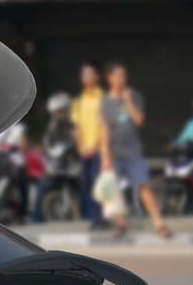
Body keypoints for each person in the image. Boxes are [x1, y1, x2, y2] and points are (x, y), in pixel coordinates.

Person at [99, 62, 172, 240]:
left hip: (134, 152)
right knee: (114, 189)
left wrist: (128, 100)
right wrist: (105, 156)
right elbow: (105, 129)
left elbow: (139, 121)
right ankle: (121, 224)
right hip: (115, 152)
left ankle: (158, 223)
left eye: (124, 76)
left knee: (144, 185)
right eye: (118, 76)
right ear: (109, 78)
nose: (122, 79)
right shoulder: (106, 101)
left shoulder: (135, 96)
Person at [71, 62, 107, 224]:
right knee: (88, 183)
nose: (86, 77)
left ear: (97, 77)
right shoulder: (79, 101)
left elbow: (105, 125)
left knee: (99, 182)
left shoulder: (103, 98)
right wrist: (81, 147)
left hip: (101, 148)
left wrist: (97, 146)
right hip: (85, 150)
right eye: (84, 74)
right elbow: (77, 126)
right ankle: (94, 217)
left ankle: (103, 217)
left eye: (90, 74)